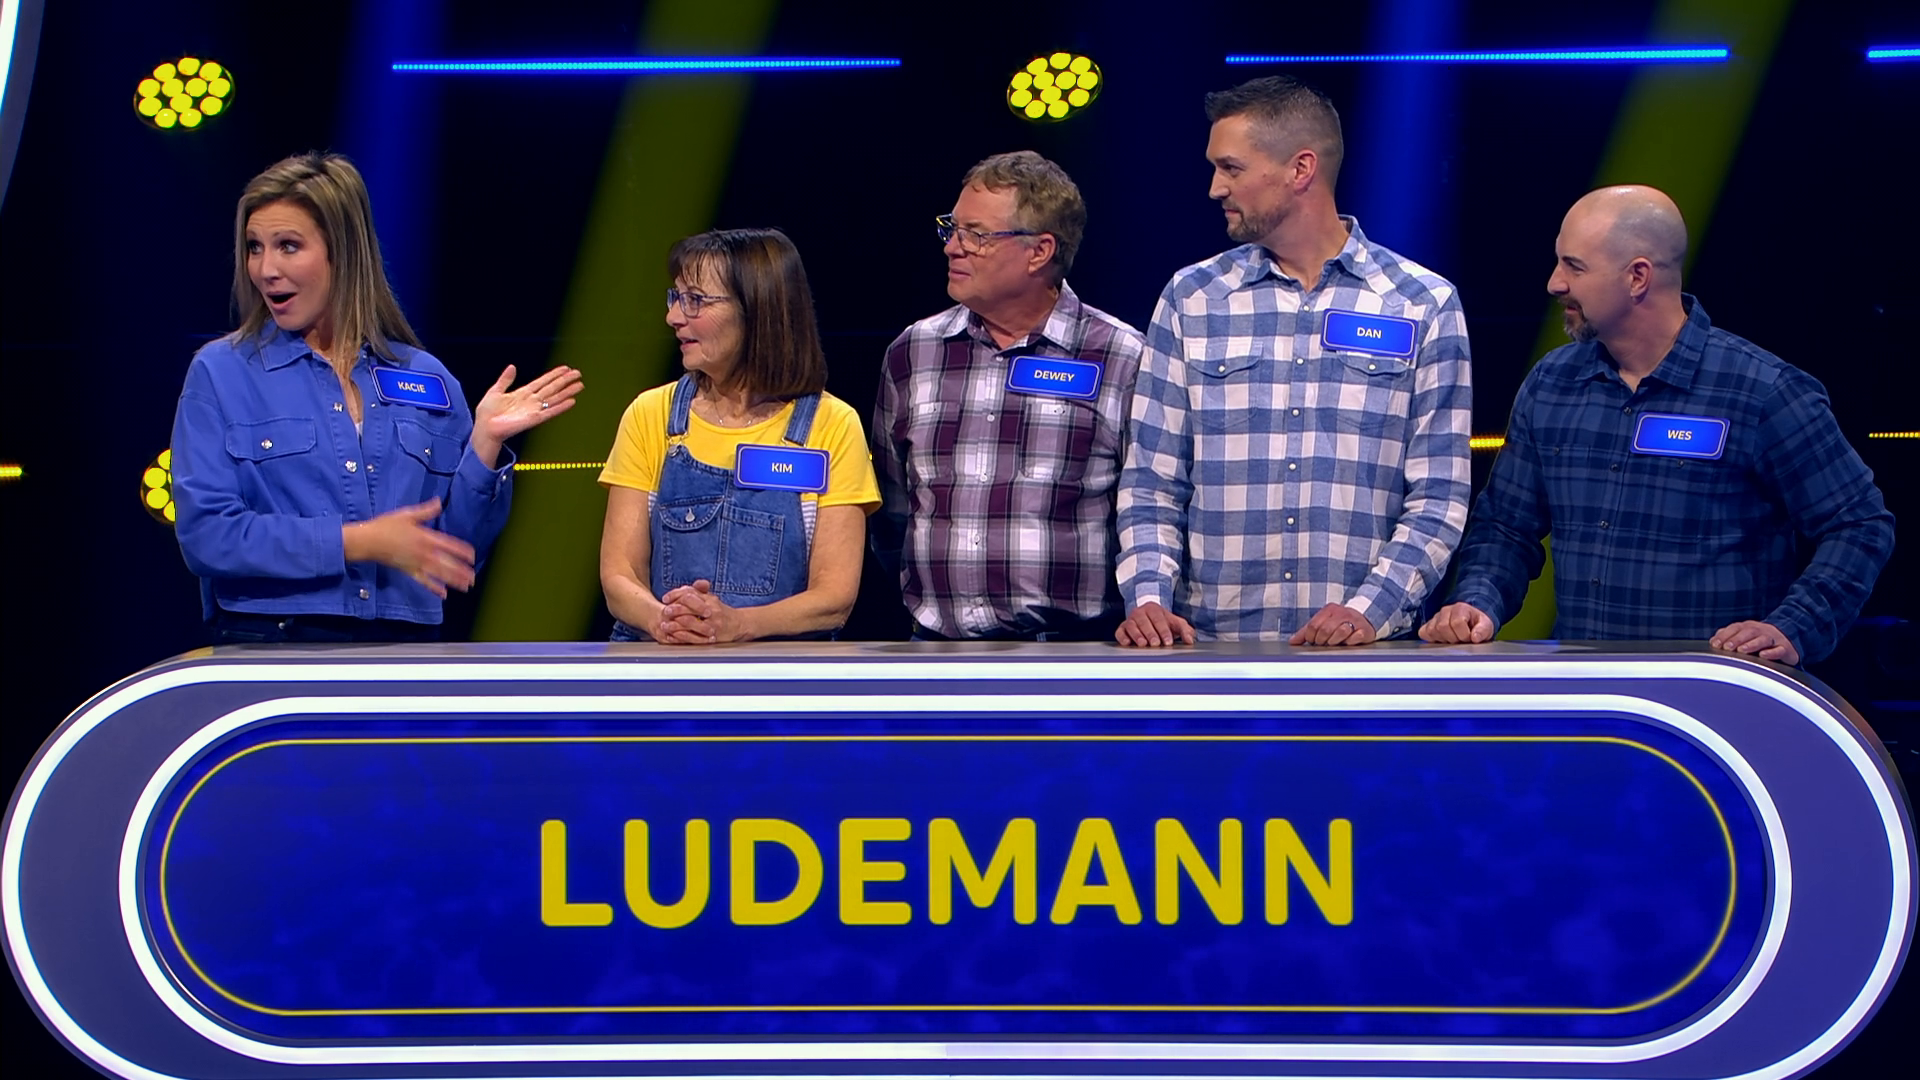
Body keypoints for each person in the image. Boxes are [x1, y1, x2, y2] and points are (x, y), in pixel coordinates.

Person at [1419, 186, 1893, 665]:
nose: (1554, 283)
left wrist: (1794, 625)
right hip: (1586, 688)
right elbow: (1506, 527)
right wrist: (1476, 600)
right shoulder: (1551, 384)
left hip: (1714, 692)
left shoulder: (1762, 391)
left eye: (1574, 267)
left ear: (1637, 277)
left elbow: (1859, 524)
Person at [1116, 76, 1472, 646]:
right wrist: (1149, 599)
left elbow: (1439, 493)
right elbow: (1151, 481)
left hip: (1363, 653)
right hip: (1207, 650)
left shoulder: (1421, 302)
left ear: (1300, 169)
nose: (1214, 188)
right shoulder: (1193, 297)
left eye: (1231, 168)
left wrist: (1367, 611)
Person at [171, 152, 583, 643]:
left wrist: (484, 445)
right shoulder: (221, 373)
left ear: (342, 251)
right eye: (254, 247)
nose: (266, 269)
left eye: (288, 246)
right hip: (275, 647)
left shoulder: (426, 378)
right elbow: (208, 535)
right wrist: (359, 542)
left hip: (402, 651)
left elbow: (456, 553)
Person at [871, 151, 1145, 641]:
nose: (952, 248)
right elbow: (892, 514)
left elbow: (1146, 506)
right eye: (952, 229)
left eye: (975, 235)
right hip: (936, 652)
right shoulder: (913, 352)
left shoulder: (1121, 356)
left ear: (1039, 251)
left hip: (1074, 653)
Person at [599, 228, 879, 644]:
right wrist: (666, 621)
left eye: (695, 300)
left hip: (778, 671)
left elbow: (834, 597)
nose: (673, 317)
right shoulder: (651, 414)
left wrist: (738, 625)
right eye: (675, 297)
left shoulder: (832, 425)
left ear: (757, 310)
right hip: (662, 658)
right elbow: (619, 574)